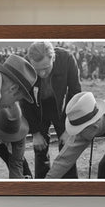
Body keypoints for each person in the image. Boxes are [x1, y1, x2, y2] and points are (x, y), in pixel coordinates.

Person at [45, 89, 105, 179]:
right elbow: (65, 159)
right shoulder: (87, 120)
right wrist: (45, 185)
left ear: (94, 126)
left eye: (79, 131)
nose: (77, 135)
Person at [21, 42, 81, 178]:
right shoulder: (24, 65)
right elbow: (25, 100)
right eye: (37, 70)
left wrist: (68, 129)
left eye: (46, 68)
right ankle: (43, 185)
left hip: (61, 106)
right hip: (37, 107)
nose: (42, 73)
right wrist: (35, 133)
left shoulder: (67, 59)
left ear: (53, 58)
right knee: (39, 148)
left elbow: (75, 92)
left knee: (67, 147)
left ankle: (70, 185)